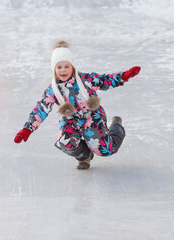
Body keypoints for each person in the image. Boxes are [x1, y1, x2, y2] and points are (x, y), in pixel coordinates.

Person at [14, 40, 141, 170]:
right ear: (54, 69)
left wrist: (124, 76)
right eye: (59, 67)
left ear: (73, 66)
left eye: (66, 66)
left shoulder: (85, 80)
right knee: (64, 142)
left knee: (106, 150)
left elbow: (104, 80)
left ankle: (117, 125)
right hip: (71, 120)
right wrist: (28, 128)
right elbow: (42, 108)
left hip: (92, 116)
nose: (63, 70)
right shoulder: (53, 89)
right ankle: (85, 156)